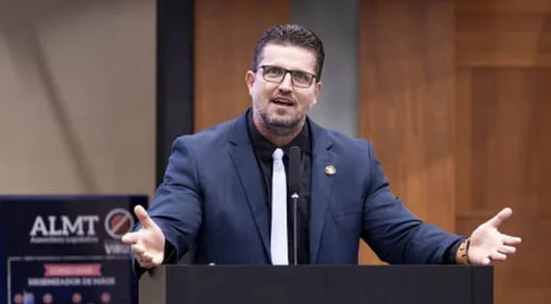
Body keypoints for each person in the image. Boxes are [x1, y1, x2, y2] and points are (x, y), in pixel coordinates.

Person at [122, 24, 521, 273]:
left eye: (300, 77)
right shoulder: (199, 155)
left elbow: (401, 235)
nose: (284, 85)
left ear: (316, 92)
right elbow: (174, 221)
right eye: (273, 72)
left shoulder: (353, 161)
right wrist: (161, 243)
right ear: (251, 81)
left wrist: (462, 249)